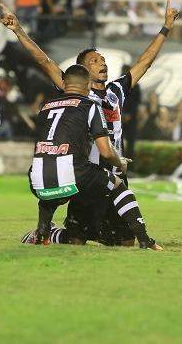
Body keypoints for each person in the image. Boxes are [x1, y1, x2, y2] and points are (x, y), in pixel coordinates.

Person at [1, 0, 179, 246]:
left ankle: (72, 232)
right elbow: (44, 61)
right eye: (95, 61)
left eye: (103, 59)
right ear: (82, 70)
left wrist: (166, 27)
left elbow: (145, 62)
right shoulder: (76, 92)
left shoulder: (117, 91)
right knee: (75, 240)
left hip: (114, 171)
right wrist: (19, 31)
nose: (102, 63)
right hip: (86, 172)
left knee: (124, 243)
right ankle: (48, 233)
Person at [25, 64, 161, 250]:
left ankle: (42, 232)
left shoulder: (46, 106)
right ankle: (145, 240)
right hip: (75, 176)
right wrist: (119, 162)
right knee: (117, 184)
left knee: (53, 189)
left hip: (37, 180)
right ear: (88, 85)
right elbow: (105, 151)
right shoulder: (90, 105)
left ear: (64, 83)